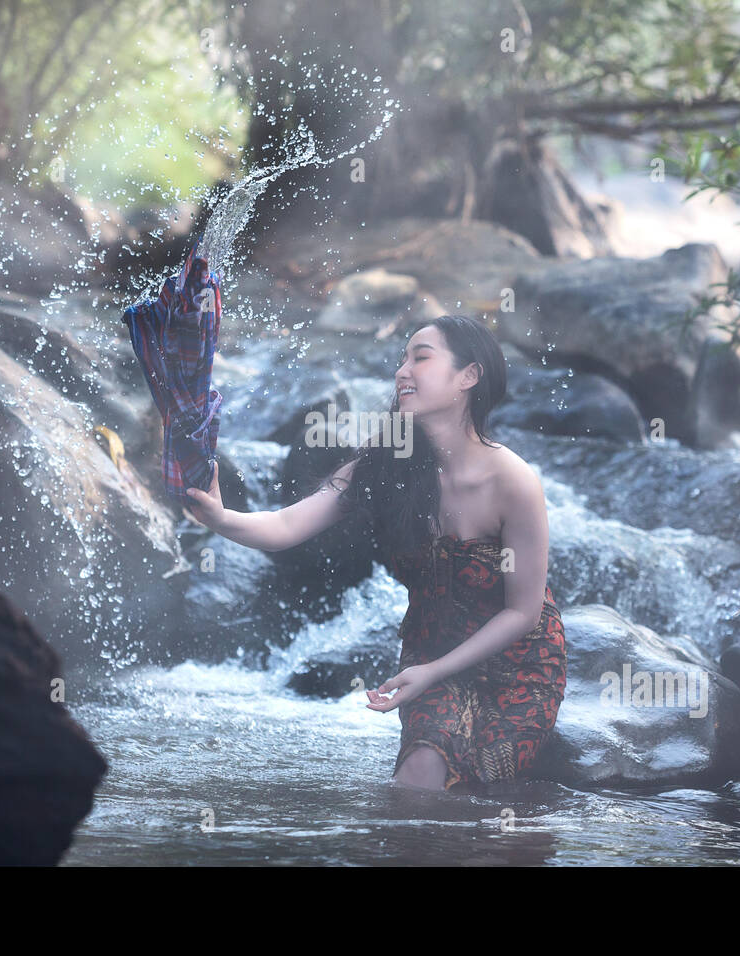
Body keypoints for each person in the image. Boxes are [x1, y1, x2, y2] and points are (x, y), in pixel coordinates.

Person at [183, 314, 567, 791]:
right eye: (402, 359)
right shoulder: (386, 463)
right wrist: (220, 518)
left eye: (420, 358)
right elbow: (286, 525)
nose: (402, 371)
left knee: (487, 791)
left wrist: (432, 672)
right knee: (420, 776)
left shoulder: (514, 481)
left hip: (518, 665)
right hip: (432, 653)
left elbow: (524, 610)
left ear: (469, 376)